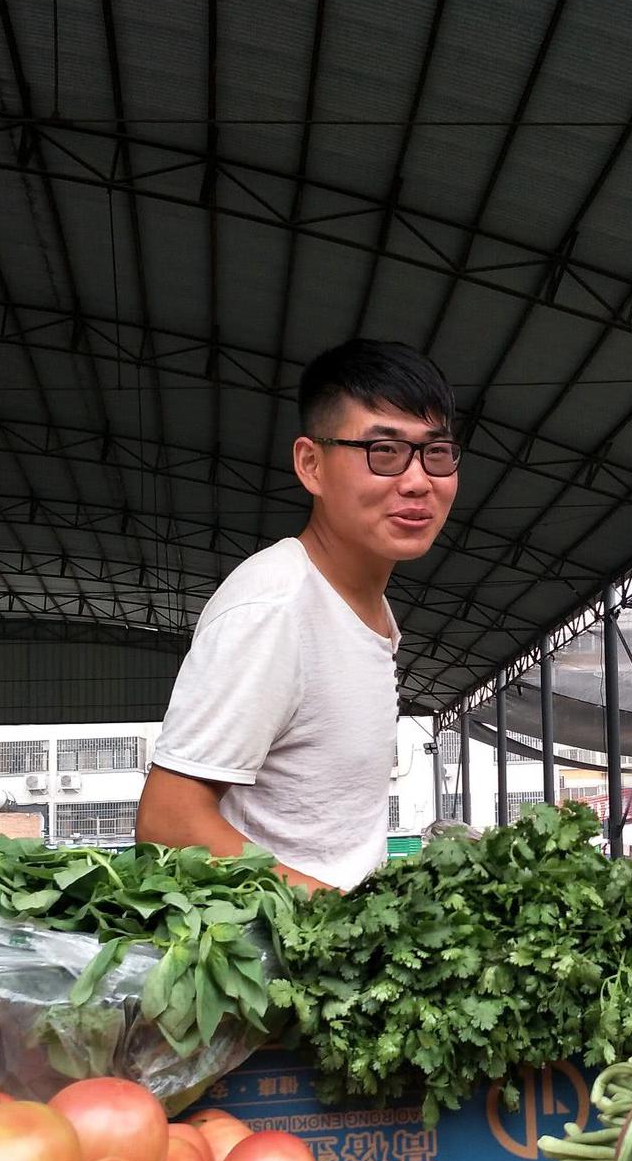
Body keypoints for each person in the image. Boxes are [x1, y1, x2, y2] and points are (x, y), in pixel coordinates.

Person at [136, 339, 461, 891]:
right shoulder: (275, 606)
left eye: (436, 452)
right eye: (383, 451)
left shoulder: (365, 607)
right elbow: (169, 822)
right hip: (284, 943)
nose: (417, 480)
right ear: (312, 465)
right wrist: (347, 919)